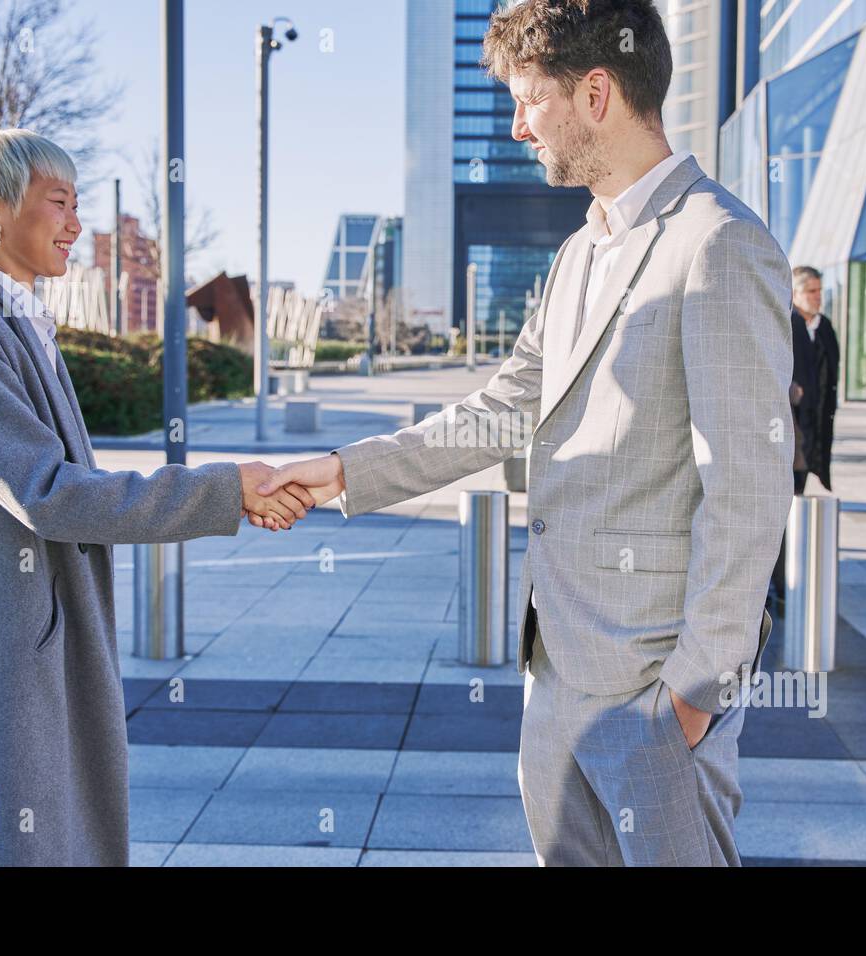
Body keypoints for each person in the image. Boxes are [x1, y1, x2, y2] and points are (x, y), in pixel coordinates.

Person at [250, 0, 792, 866]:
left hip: (655, 692)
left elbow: (750, 491)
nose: (513, 126)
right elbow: (498, 411)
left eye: (527, 100)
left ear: (597, 92)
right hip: (555, 674)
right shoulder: (580, 252)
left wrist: (693, 697)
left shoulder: (719, 244)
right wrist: (334, 472)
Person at [0, 129, 313, 866]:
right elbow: (48, 491)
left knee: (48, 831)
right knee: (2, 840)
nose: (77, 225)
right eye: (58, 204)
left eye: (78, 204)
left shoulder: (18, 320)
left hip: (33, 627)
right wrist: (223, 490)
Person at [789, 266, 839, 494]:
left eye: (819, 290)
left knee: (801, 487)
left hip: (815, 423)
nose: (818, 296)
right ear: (794, 294)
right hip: (790, 424)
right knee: (787, 489)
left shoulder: (824, 327)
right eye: (811, 291)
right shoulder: (786, 324)